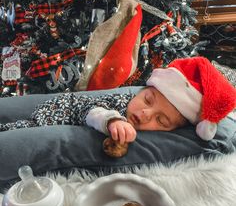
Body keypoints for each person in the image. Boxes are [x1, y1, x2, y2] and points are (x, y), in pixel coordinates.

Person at [1, 56, 235, 143]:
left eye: (161, 121)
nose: (145, 114)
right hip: (49, 115)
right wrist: (112, 120)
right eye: (148, 100)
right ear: (144, 90)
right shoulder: (120, 102)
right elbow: (91, 108)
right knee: (14, 129)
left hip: (47, 121)